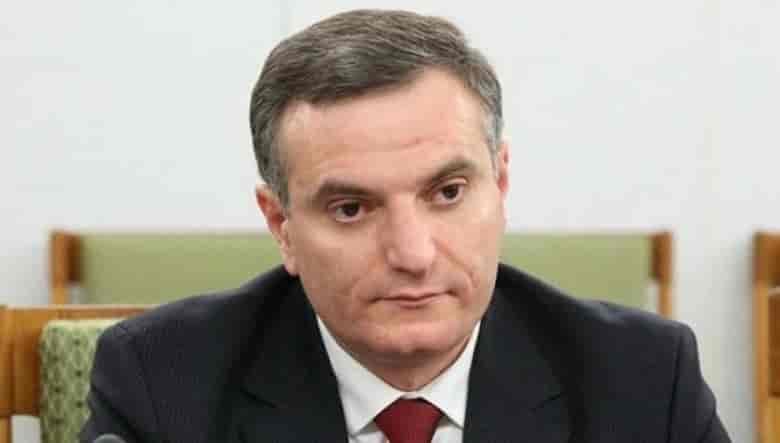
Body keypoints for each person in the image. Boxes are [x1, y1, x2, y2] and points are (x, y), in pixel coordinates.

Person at [81, 9, 730, 443]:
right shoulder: (162, 384)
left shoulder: (644, 381)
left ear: (501, 184)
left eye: (447, 193)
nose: (413, 254)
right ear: (281, 224)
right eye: (351, 208)